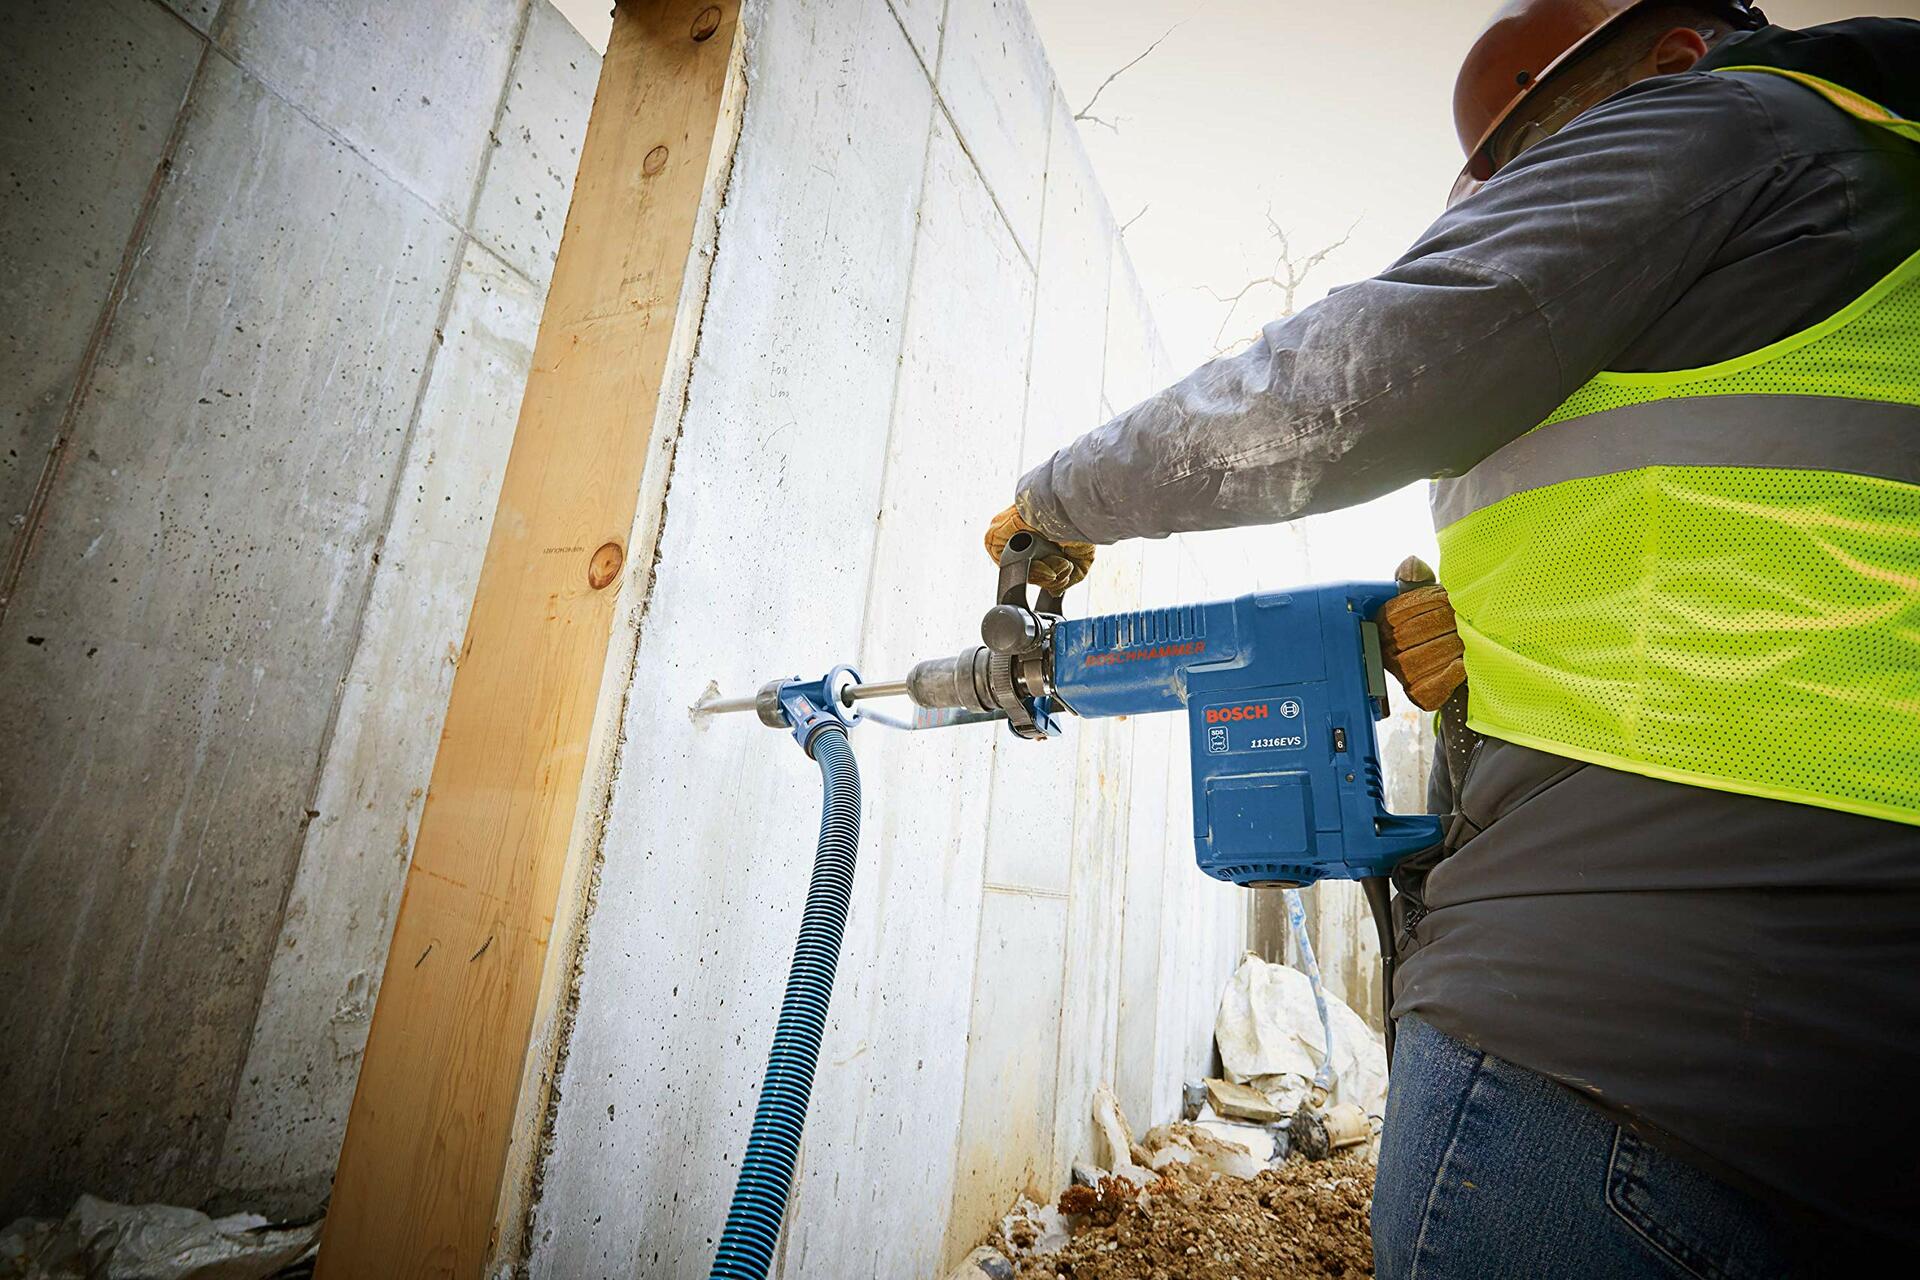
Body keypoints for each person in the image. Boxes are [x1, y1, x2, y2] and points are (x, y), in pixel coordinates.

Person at [984, 3, 1920, 1274]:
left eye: (1518, 152)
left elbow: (1344, 384)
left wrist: (1060, 498)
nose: (1501, 193)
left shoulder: (1726, 119)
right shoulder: (1874, 192)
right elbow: (1790, 556)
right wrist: (1500, 641)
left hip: (1620, 1030)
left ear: (1674, 55)